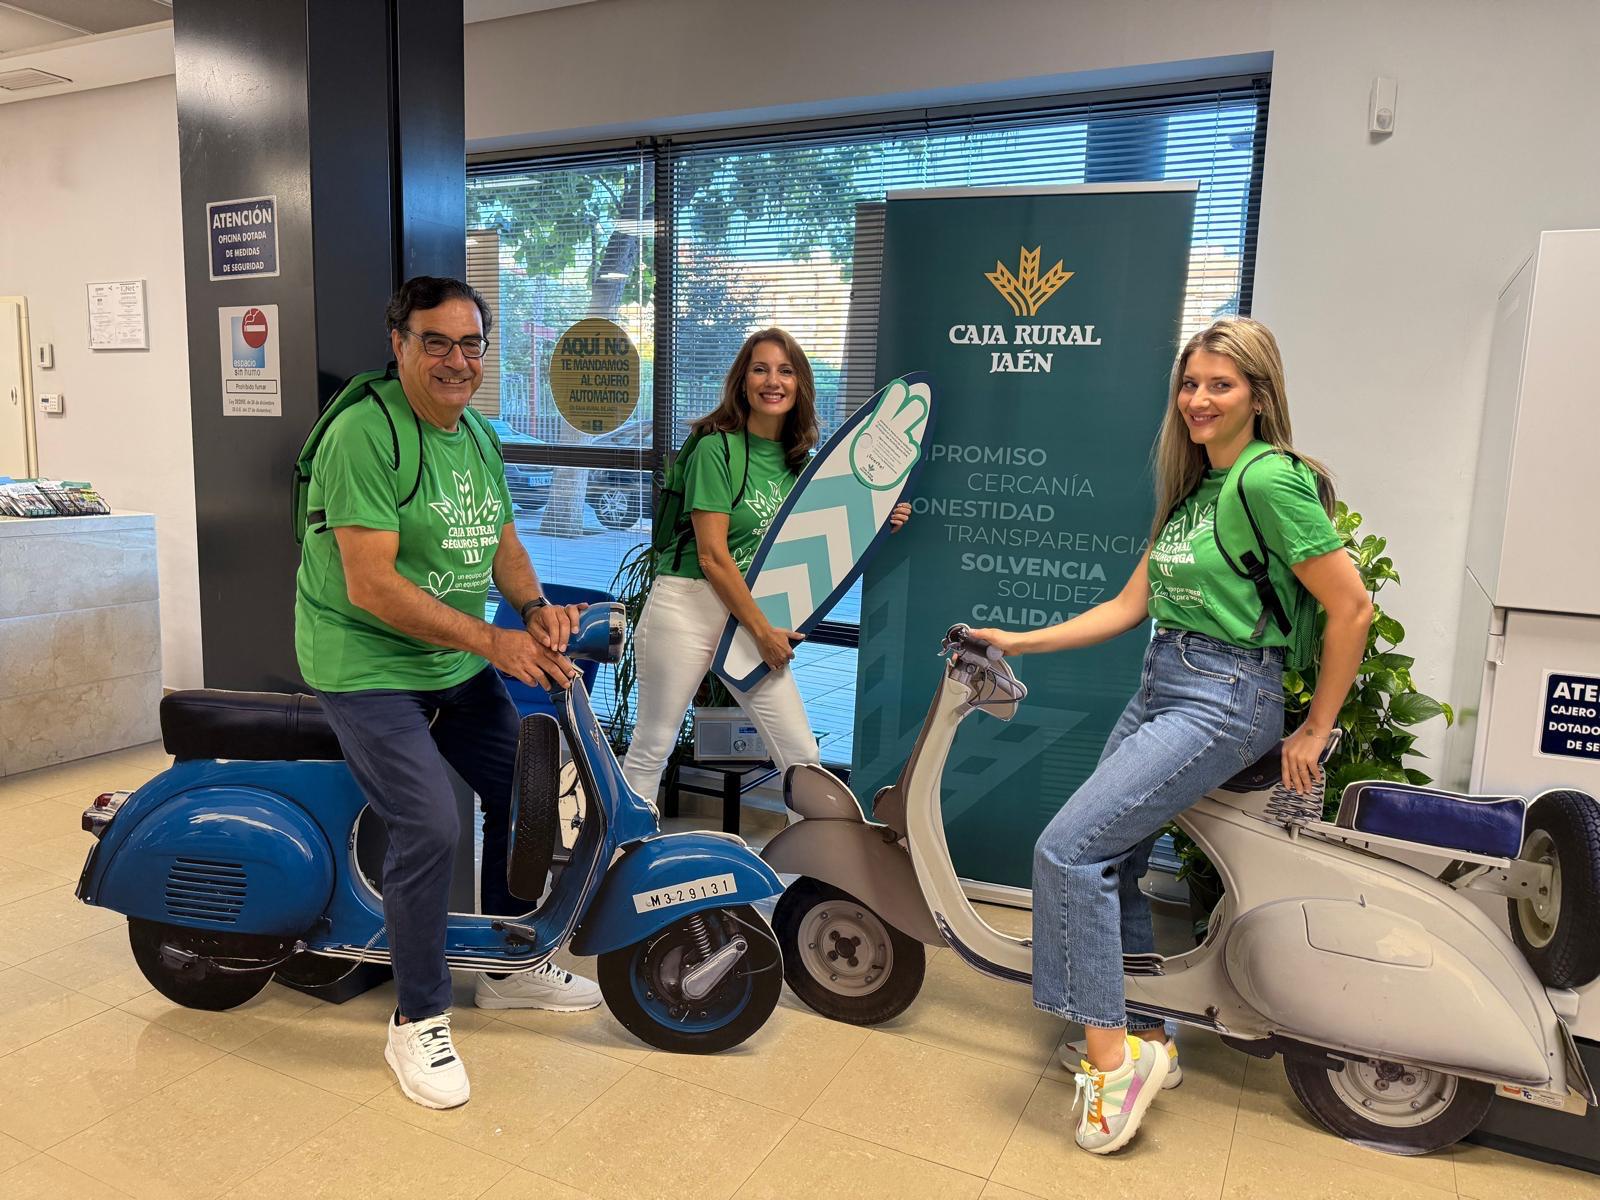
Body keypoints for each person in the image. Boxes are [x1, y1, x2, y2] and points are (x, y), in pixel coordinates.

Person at [971, 317, 1372, 1155]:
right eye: (1190, 384)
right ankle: (1147, 1038)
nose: (1197, 399)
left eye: (1219, 385)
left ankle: (1112, 1068)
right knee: (1109, 854)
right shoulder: (1196, 493)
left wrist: (1317, 729)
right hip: (1162, 680)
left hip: (1226, 695)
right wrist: (1016, 640)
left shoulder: (1269, 481)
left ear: (1259, 397)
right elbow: (1127, 608)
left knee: (1066, 850)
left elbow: (1351, 605)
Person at [294, 275, 602, 1111]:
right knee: (429, 820)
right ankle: (417, 1019)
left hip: (449, 661)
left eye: (471, 345)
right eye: (437, 342)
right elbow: (371, 586)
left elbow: (500, 540)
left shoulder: (478, 435)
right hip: (365, 662)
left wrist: (534, 611)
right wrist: (494, 642)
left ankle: (504, 968)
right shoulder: (365, 434)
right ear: (398, 345)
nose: (457, 361)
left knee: (527, 790)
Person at [621, 327, 909, 803]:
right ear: (742, 381)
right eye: (760, 369)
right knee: (654, 746)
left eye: (785, 370)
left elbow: (828, 536)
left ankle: (816, 873)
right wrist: (761, 630)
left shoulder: (803, 463)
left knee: (801, 758)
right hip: (688, 605)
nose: (772, 381)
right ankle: (623, 861)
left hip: (751, 616)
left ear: (800, 385)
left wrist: (881, 519)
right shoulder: (716, 448)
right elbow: (714, 557)